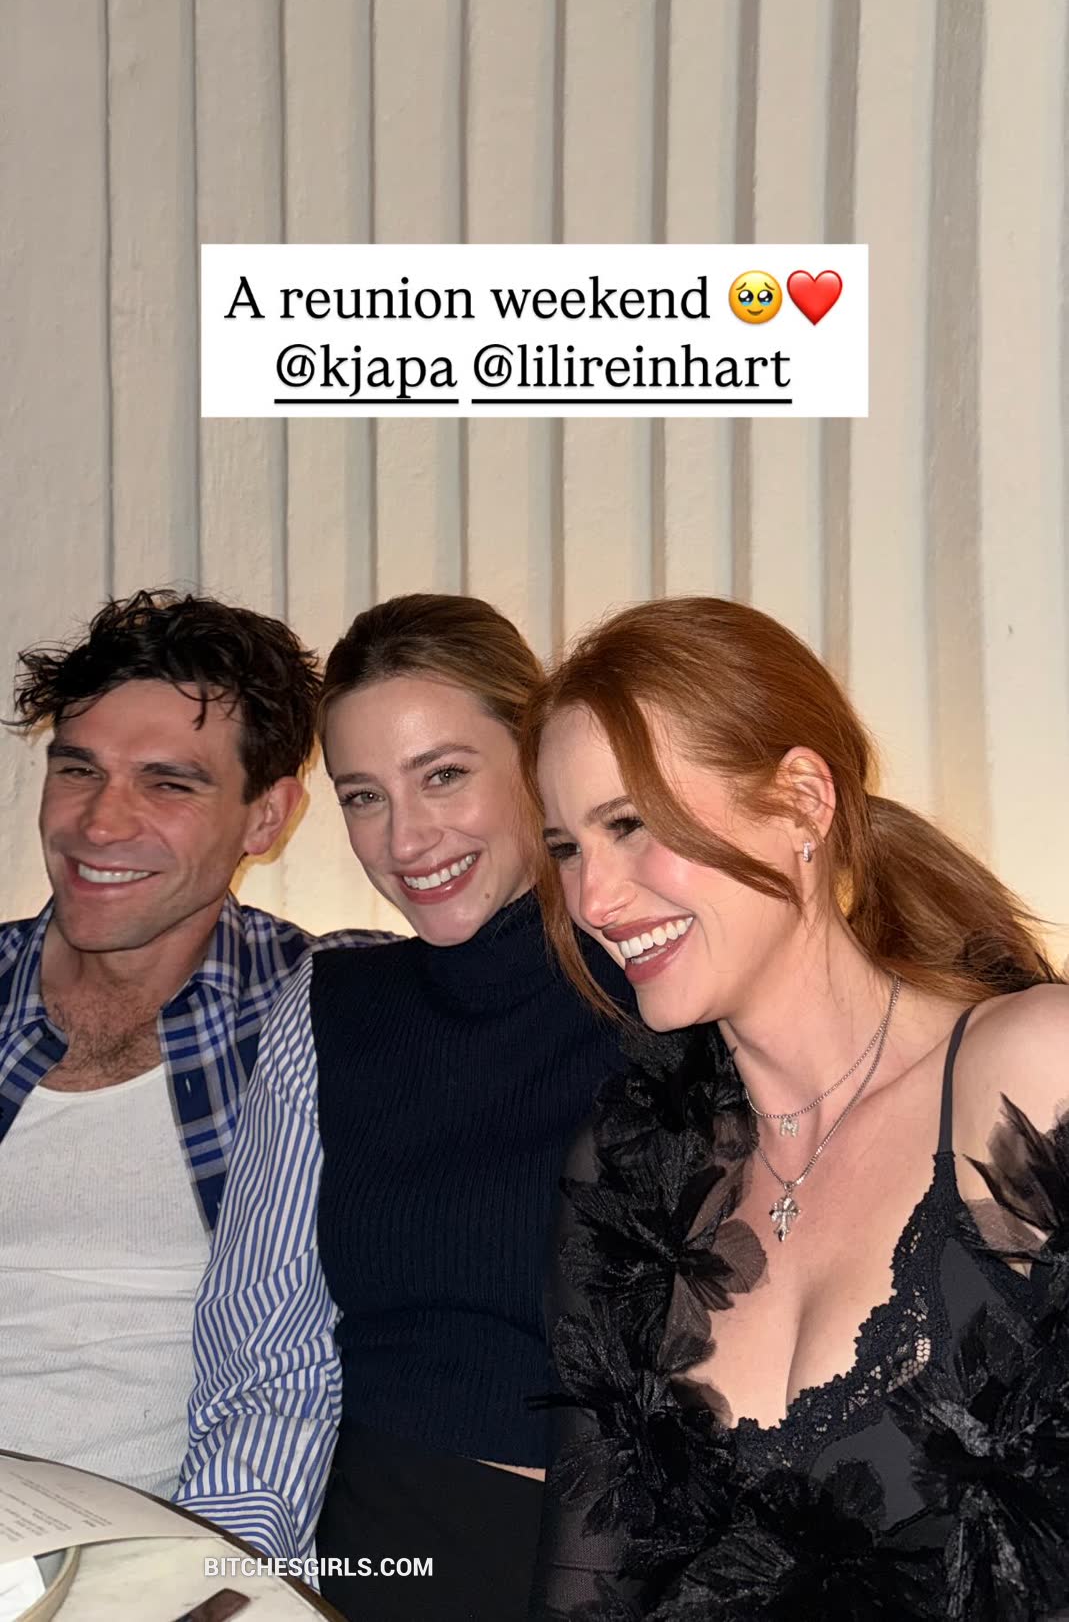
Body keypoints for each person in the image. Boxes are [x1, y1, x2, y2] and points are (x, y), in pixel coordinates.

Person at [523, 595, 1069, 1621]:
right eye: (566, 848)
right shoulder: (632, 1174)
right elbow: (586, 1582)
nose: (593, 900)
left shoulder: (1030, 1072)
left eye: (630, 825)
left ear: (803, 802)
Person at [175, 593, 630, 1621]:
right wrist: (229, 1577)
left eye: (443, 775)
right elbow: (269, 1353)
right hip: (370, 1555)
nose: (406, 837)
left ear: (537, 760)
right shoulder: (330, 1005)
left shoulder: (664, 984)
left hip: (602, 1556)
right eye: (363, 796)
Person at [0, 588, 388, 1498]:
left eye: (168, 783)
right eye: (78, 769)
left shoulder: (337, 1009)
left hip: (174, 1541)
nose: (100, 824)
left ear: (267, 817)